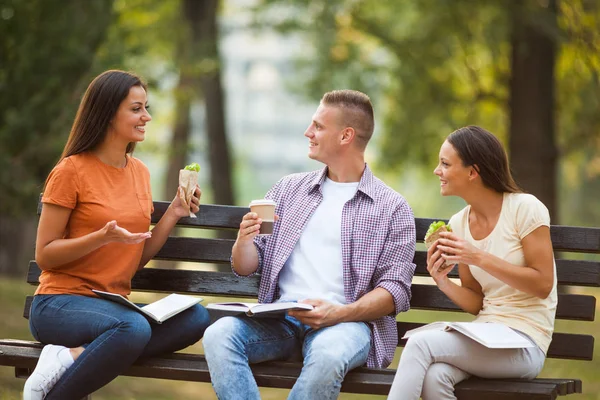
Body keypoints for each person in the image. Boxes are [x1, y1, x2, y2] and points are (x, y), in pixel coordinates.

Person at [203, 89, 416, 400]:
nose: (308, 132)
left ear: (346, 136)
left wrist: (338, 314)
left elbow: (395, 291)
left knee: (329, 357)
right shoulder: (289, 190)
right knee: (218, 335)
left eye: (318, 126)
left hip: (345, 325)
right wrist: (243, 242)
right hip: (279, 320)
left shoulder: (391, 207)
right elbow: (246, 266)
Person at [23, 70, 211, 400]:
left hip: (113, 306)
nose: (147, 117)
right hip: (60, 304)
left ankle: (72, 358)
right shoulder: (71, 170)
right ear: (109, 113)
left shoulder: (139, 172)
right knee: (132, 329)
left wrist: (174, 213)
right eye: (136, 109)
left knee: (196, 317)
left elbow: (134, 259)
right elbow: (45, 254)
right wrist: (100, 237)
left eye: (146, 108)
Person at [387, 125, 557, 400]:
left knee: (419, 343)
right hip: (485, 334)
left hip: (525, 343)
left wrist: (478, 256)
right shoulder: (459, 223)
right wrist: (442, 281)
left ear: (472, 172)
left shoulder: (525, 208)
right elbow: (477, 303)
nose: (436, 171)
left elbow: (543, 285)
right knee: (435, 376)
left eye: (444, 163)